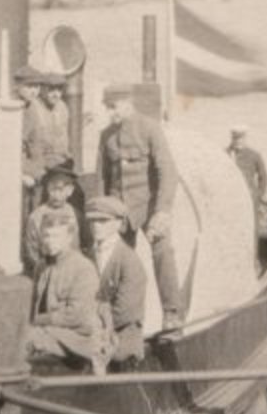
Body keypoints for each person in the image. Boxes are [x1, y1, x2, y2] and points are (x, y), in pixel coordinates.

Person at [99, 82, 184, 332]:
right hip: (119, 209)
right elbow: (103, 177)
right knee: (116, 260)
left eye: (114, 106)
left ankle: (172, 313)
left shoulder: (149, 128)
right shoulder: (106, 135)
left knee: (163, 253)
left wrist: (162, 211)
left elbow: (168, 171)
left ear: (128, 103)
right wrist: (102, 213)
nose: (110, 112)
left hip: (148, 205)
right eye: (107, 107)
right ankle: (117, 319)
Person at [26, 205, 106, 371]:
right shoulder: (42, 266)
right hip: (50, 332)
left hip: (79, 339)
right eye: (46, 236)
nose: (49, 241)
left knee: (27, 339)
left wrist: (38, 321)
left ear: (69, 238)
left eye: (56, 236)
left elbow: (77, 317)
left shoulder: (83, 268)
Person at [85, 194, 148, 367]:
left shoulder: (129, 261)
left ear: (119, 223)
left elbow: (125, 312)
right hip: (90, 334)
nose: (96, 226)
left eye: (103, 221)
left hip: (122, 339)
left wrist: (95, 327)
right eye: (92, 221)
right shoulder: (86, 256)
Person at [24, 160, 83, 273]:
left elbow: (85, 246)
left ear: (70, 191)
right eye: (52, 189)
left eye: (60, 189)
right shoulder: (36, 216)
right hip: (47, 270)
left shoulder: (76, 215)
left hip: (73, 271)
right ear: (47, 189)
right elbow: (32, 251)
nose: (56, 195)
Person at [228, 124, 267, 241]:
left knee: (251, 229)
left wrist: (258, 195)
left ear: (245, 138)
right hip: (230, 198)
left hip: (249, 197)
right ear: (232, 138)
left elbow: (263, 177)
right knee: (231, 229)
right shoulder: (225, 154)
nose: (238, 141)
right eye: (235, 138)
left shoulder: (254, 155)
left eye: (240, 138)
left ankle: (252, 251)